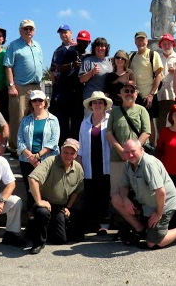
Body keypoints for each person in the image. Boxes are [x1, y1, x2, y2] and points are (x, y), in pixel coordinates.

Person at [111, 139, 176, 249]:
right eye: (126, 152)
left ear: (141, 149)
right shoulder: (129, 164)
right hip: (146, 203)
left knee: (153, 243)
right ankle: (140, 229)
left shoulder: (149, 164)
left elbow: (161, 192)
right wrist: (125, 199)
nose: (130, 155)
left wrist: (159, 214)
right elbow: (123, 185)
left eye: (133, 151)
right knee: (116, 199)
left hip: (163, 204)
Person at [28, 138, 85, 254]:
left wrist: (68, 207)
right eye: (65, 152)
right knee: (42, 213)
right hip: (45, 203)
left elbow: (77, 191)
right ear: (60, 150)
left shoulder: (78, 168)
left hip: (60, 206)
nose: (68, 155)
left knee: (61, 239)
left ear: (76, 155)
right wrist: (39, 201)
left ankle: (41, 230)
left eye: (72, 153)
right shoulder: (50, 161)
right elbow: (32, 178)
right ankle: (38, 242)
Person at [17, 90, 60, 213]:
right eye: (34, 100)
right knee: (30, 191)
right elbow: (20, 140)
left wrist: (38, 156)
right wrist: (31, 157)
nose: (37, 102)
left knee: (47, 190)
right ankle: (33, 220)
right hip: (27, 160)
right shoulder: (25, 120)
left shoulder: (53, 120)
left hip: (47, 160)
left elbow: (53, 142)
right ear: (31, 103)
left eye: (40, 100)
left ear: (45, 102)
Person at [4, 19, 43, 151]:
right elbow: (8, 66)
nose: (28, 31)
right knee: (18, 118)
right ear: (20, 30)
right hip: (19, 87)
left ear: (34, 31)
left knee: (35, 117)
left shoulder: (37, 45)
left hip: (36, 86)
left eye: (30, 29)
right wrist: (11, 85)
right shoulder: (13, 45)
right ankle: (15, 148)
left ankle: (32, 146)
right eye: (25, 29)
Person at [106, 81, 151, 195]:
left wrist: (133, 150)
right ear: (121, 93)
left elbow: (146, 132)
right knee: (117, 192)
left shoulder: (142, 110)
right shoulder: (115, 111)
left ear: (136, 94)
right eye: (126, 91)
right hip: (118, 157)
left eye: (132, 91)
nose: (129, 93)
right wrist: (121, 151)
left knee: (139, 192)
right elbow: (109, 133)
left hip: (138, 158)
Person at [78, 91, 113, 234]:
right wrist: (79, 166)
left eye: (100, 102)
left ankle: (104, 224)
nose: (97, 105)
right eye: (95, 102)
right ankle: (91, 223)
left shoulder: (110, 120)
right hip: (89, 164)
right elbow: (80, 146)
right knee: (90, 194)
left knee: (104, 194)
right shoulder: (84, 122)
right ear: (91, 105)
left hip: (106, 163)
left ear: (105, 105)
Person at [54, 30, 91, 144]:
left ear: (89, 42)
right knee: (63, 122)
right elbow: (58, 67)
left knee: (77, 122)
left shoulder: (88, 54)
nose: (82, 44)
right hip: (65, 91)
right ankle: (62, 147)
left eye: (85, 42)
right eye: (80, 41)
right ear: (77, 40)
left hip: (79, 92)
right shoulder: (65, 50)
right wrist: (72, 65)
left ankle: (75, 147)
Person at [129, 31, 163, 145]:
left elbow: (159, 75)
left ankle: (152, 148)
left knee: (150, 123)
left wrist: (151, 95)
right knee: (137, 123)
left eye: (143, 39)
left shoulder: (153, 54)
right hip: (136, 96)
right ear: (135, 42)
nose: (141, 42)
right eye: (138, 39)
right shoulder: (132, 56)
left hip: (150, 95)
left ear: (147, 41)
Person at [48, 24, 76, 116]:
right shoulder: (57, 51)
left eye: (65, 32)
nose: (63, 35)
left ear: (71, 33)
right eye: (61, 33)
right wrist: (54, 85)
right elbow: (53, 69)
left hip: (75, 88)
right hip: (61, 88)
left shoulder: (78, 47)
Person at [79, 37, 113, 108]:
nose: (100, 48)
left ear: (106, 48)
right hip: (91, 100)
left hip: (105, 101)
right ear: (94, 48)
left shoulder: (109, 63)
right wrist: (92, 72)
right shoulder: (88, 61)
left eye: (102, 46)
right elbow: (81, 79)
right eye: (98, 46)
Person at [156, 34, 176, 134]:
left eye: (169, 44)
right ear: (160, 46)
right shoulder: (157, 57)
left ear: (173, 44)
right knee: (160, 125)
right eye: (164, 44)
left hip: (174, 95)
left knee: (174, 123)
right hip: (159, 96)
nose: (166, 46)